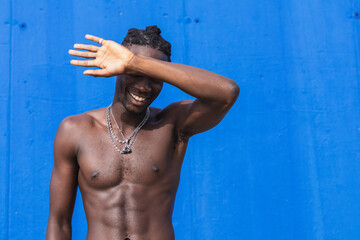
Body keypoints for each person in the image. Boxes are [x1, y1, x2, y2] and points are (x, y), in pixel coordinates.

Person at [46, 25, 239, 240]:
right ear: (117, 68)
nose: (144, 87)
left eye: (154, 76)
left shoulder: (173, 125)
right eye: (136, 73)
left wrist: (135, 63)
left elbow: (227, 92)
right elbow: (59, 222)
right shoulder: (75, 130)